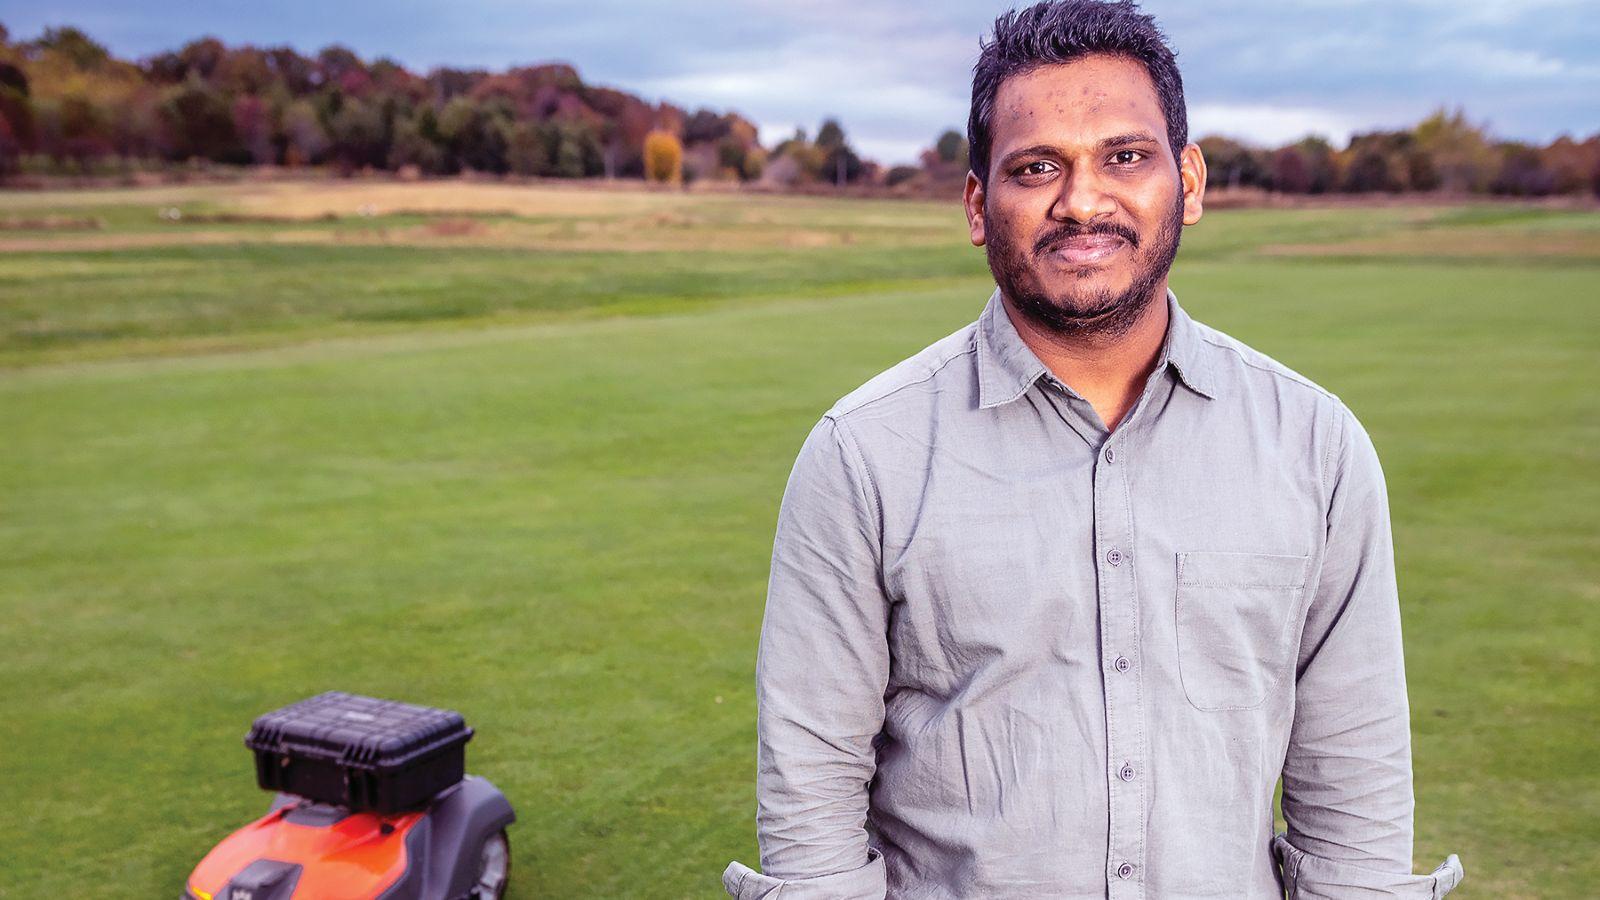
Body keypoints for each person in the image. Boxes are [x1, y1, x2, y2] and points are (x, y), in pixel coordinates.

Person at [722, 1, 1466, 896]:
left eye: (1125, 157)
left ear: (1188, 181)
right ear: (977, 204)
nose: (1081, 201)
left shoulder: (1317, 446)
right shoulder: (863, 455)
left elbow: (1354, 791)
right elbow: (811, 801)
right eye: (1036, 167)